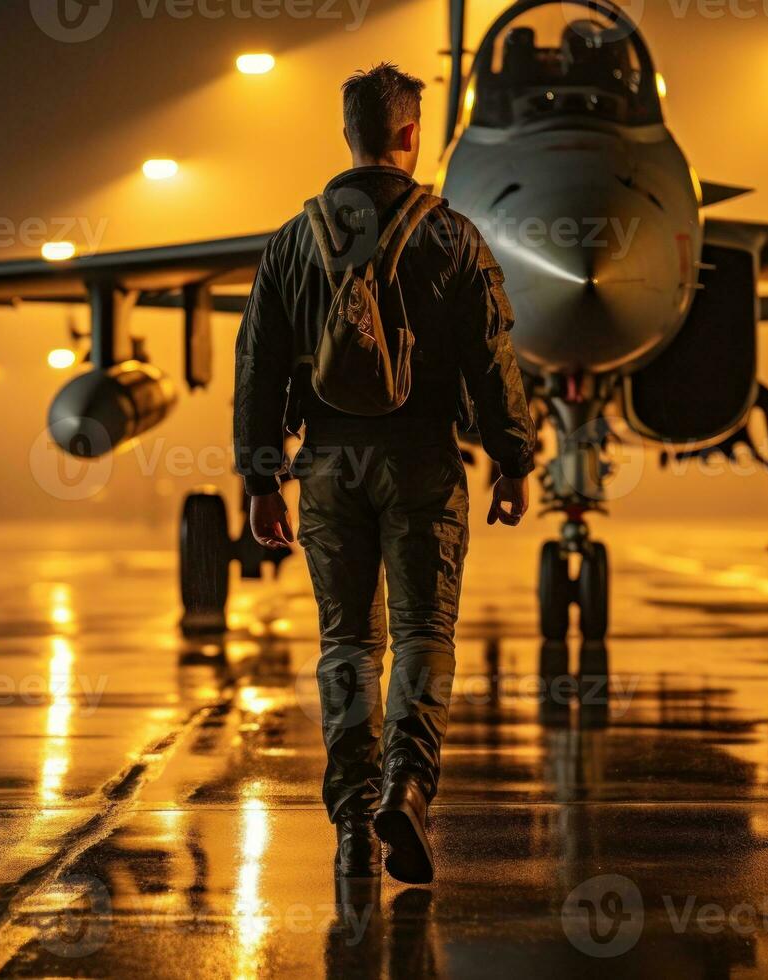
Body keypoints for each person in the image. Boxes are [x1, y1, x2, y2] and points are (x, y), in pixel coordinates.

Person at [233, 63, 536, 885]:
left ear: (349, 134)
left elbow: (257, 367)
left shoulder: (294, 241)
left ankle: (349, 820)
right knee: (423, 634)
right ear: (409, 136)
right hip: (422, 460)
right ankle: (407, 786)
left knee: (347, 641)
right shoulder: (452, 235)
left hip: (328, 464)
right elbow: (492, 361)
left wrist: (261, 480)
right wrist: (513, 461)